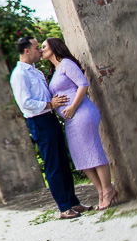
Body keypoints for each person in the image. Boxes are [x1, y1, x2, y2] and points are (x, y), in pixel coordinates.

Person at [10, 36, 90, 218]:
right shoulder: (19, 74)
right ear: (26, 51)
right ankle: (64, 208)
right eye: (37, 48)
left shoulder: (35, 71)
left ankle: (73, 202)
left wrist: (53, 106)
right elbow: (25, 103)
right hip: (39, 122)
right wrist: (50, 104)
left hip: (50, 118)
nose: (40, 51)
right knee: (53, 165)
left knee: (62, 161)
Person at [41, 37, 118, 210]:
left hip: (82, 113)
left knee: (93, 150)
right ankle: (100, 192)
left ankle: (108, 191)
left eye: (44, 46)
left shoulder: (67, 63)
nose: (42, 49)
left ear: (54, 47)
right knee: (80, 156)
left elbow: (83, 84)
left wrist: (73, 107)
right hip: (70, 120)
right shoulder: (55, 70)